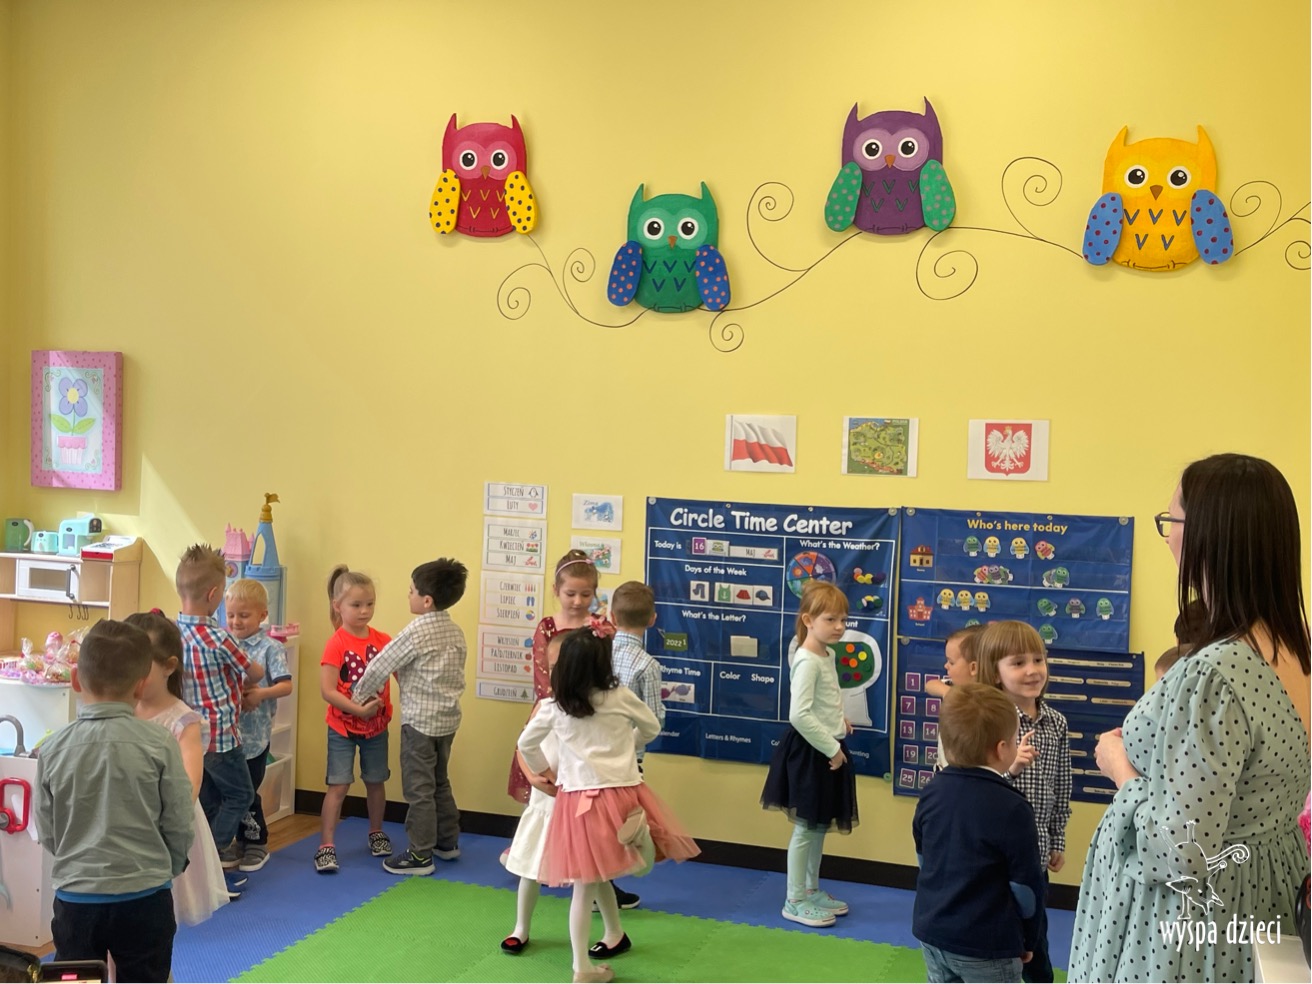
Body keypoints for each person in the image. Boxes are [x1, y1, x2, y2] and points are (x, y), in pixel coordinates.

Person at [1071, 453, 1312, 982]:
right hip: (1264, 895)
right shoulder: (1296, 648)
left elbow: (1182, 851)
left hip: (1189, 929)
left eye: (1172, 521)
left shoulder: (1215, 673)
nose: (1167, 538)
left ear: (1210, 535)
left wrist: (1120, 769)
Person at [518, 626, 699, 984]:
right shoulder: (619, 697)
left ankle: (581, 967)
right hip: (623, 794)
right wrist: (628, 744)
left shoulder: (555, 706)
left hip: (578, 801)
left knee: (584, 884)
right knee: (606, 866)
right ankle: (605, 940)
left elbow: (526, 744)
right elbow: (651, 727)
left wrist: (544, 773)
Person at [33, 620, 194, 983]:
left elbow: (47, 827)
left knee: (77, 978)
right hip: (145, 896)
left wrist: (76, 860)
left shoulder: (53, 748)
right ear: (140, 685)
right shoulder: (160, 743)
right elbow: (179, 818)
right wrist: (167, 865)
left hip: (77, 899)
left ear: (76, 679)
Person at [507, 550, 641, 910]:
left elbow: (606, 674)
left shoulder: (601, 627)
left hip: (594, 725)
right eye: (571, 594)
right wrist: (562, 709)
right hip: (557, 719)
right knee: (550, 803)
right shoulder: (547, 628)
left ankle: (601, 879)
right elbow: (544, 680)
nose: (579, 601)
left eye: (586, 594)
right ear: (556, 591)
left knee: (596, 809)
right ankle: (540, 864)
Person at [913, 682, 1046, 983]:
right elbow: (1026, 888)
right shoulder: (1013, 807)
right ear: (1002, 749)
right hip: (987, 944)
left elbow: (924, 859)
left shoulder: (931, 792)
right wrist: (1028, 938)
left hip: (932, 932)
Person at [351, 558, 469, 874]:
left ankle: (419, 854)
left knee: (419, 789)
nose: (408, 595)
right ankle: (447, 842)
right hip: (447, 721)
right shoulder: (455, 632)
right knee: (439, 781)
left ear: (426, 600)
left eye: (412, 591)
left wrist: (357, 697)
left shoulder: (417, 631)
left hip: (419, 724)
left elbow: (381, 664)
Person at [760, 581, 859, 929]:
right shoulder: (806, 660)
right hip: (812, 751)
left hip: (828, 746)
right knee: (805, 829)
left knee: (818, 826)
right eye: (830, 619)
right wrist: (833, 748)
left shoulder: (826, 655)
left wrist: (839, 721)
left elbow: (823, 700)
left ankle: (811, 889)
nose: (839, 627)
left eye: (843, 620)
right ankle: (794, 899)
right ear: (808, 620)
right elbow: (799, 715)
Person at [974, 620, 1067, 983]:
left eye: (1038, 659)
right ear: (995, 673)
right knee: (995, 940)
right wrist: (1011, 769)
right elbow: (975, 791)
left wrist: (1057, 840)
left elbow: (1061, 786)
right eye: (1017, 663)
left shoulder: (1056, 722)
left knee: (1035, 940)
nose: (1032, 670)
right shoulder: (986, 722)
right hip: (993, 859)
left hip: (1035, 855)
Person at [126, 610, 231, 920]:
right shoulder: (122, 710)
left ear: (169, 666)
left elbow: (190, 784)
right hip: (125, 818)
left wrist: (163, 822)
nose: (129, 674)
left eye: (140, 666)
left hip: (166, 823)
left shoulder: (183, 720)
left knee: (159, 910)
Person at [175, 544, 264, 869]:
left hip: (188, 737)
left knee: (208, 798)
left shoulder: (173, 633)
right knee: (241, 795)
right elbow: (254, 672)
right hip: (221, 737)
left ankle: (206, 855)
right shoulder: (219, 638)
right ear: (213, 595)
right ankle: (212, 852)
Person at [500, 634, 578, 955]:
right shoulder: (545, 707)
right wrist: (536, 776)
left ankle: (613, 930)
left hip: (576, 802)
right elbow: (523, 746)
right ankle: (521, 927)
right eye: (553, 666)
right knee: (531, 867)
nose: (557, 673)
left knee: (590, 874)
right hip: (545, 800)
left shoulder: (592, 711)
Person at [317, 565, 393, 873]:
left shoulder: (383, 640)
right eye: (356, 605)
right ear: (338, 606)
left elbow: (401, 672)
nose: (364, 611)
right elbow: (327, 690)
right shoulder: (336, 643)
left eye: (369, 604)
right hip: (343, 728)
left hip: (376, 727)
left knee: (375, 781)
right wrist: (356, 709)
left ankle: (376, 832)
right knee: (339, 785)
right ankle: (326, 845)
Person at [226, 579, 293, 873]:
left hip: (255, 737)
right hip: (227, 735)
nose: (236, 622)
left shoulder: (270, 648)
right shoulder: (225, 644)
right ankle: (238, 840)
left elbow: (286, 685)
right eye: (231, 615)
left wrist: (260, 694)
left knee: (248, 791)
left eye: (244, 615)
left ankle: (256, 843)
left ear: (262, 615)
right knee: (231, 791)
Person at [609, 581, 665, 764]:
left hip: (592, 753)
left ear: (612, 617)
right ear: (652, 620)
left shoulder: (595, 654)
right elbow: (654, 720)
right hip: (629, 759)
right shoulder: (649, 666)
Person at [923, 624, 985, 769]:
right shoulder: (953, 686)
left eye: (951, 662)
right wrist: (948, 692)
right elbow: (930, 685)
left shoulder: (989, 702)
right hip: (943, 772)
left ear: (974, 668)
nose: (946, 666)